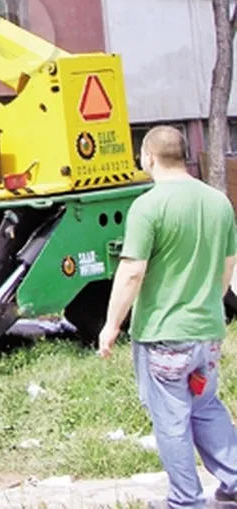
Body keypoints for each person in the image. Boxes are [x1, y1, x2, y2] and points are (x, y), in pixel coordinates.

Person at [99, 125, 237, 509]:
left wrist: (111, 326)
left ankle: (185, 500)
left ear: (148, 157)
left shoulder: (148, 205)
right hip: (207, 332)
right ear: (184, 155)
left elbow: (131, 272)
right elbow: (228, 265)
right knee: (206, 406)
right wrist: (208, 302)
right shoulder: (218, 202)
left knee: (171, 418)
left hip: (163, 335)